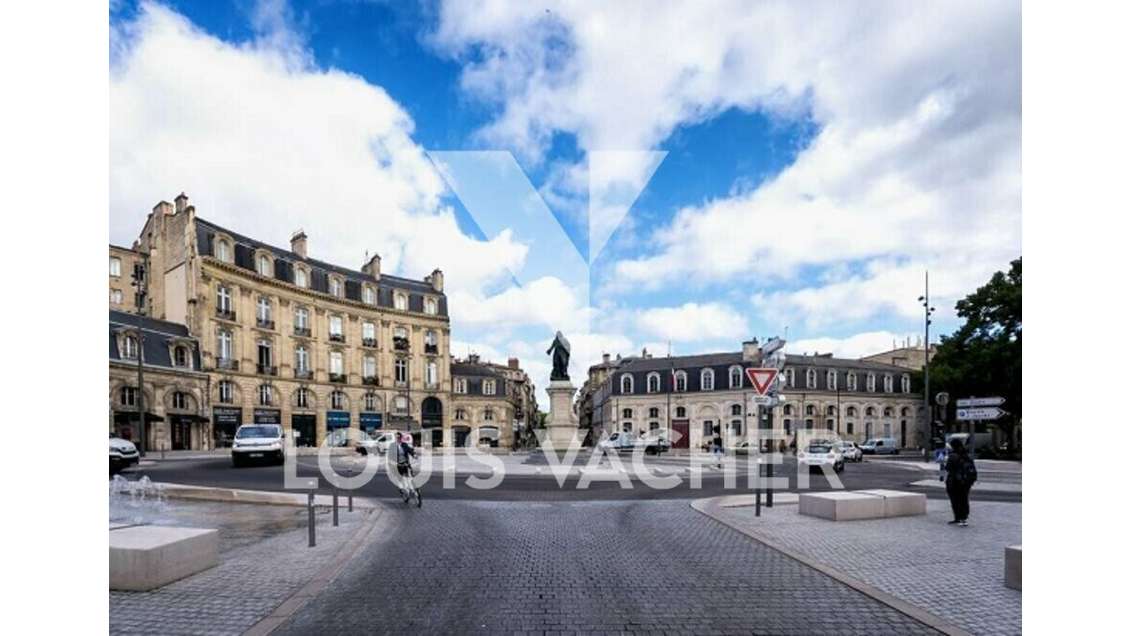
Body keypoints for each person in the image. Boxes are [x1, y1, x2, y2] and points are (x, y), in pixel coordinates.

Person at [944, 437, 977, 526]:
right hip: (966, 482)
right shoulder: (966, 455)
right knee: (964, 498)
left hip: (955, 481)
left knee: (955, 499)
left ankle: (958, 517)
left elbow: (948, 468)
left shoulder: (953, 456)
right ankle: (964, 517)